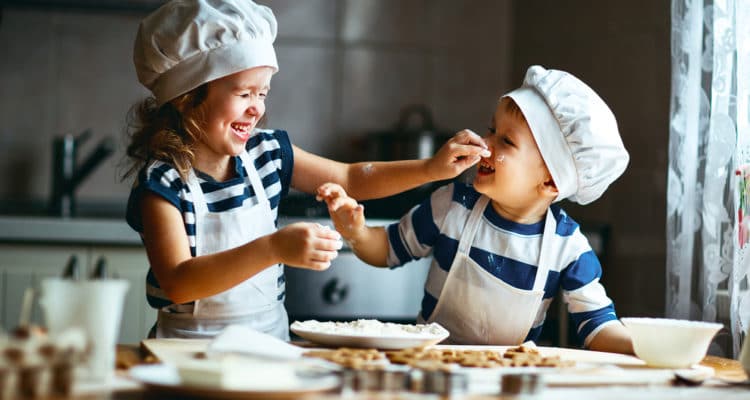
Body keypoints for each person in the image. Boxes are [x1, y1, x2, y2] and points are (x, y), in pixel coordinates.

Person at [123, 0, 490, 340]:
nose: (257, 109)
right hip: (185, 358)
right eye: (244, 93)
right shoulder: (164, 182)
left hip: (267, 351)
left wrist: (430, 169)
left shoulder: (268, 154)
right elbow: (177, 282)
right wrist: (272, 248)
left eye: (263, 93)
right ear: (188, 97)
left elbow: (350, 178)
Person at [317, 65, 634, 354]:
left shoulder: (568, 247)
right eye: (491, 129)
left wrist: (646, 347)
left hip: (508, 382)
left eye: (506, 141)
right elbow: (386, 250)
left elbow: (598, 327)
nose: (485, 143)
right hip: (429, 371)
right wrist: (356, 232)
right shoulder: (452, 205)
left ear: (551, 181)